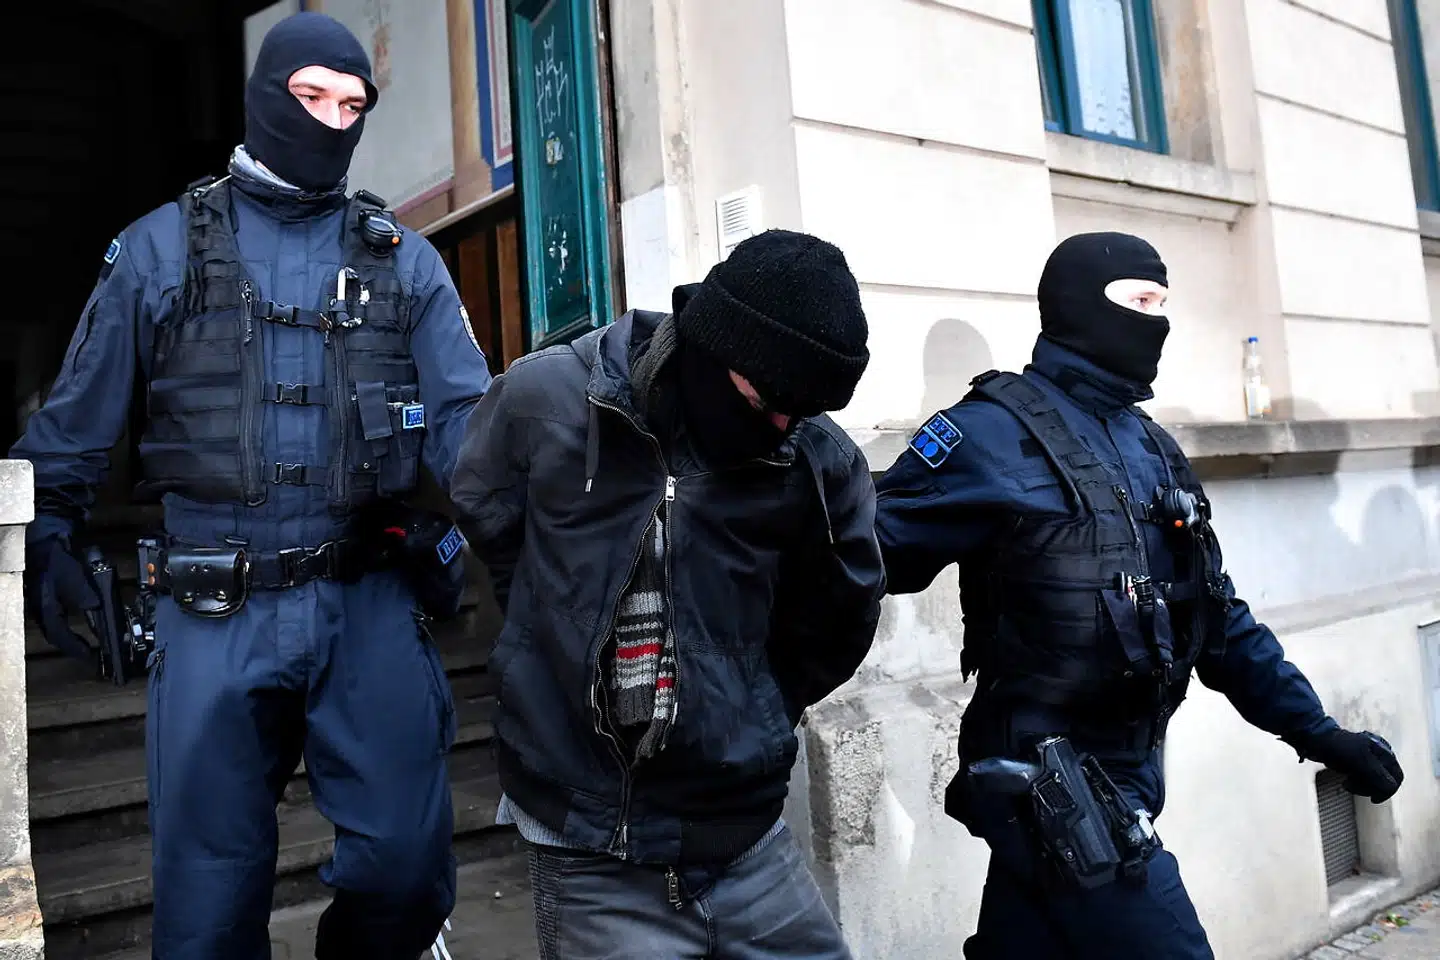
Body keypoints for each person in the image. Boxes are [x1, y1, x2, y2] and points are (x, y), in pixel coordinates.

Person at [11, 13, 491, 958]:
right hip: (213, 612)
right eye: (311, 97)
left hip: (366, 597)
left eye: (352, 106)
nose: (332, 122)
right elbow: (71, 424)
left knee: (406, 872)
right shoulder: (157, 251)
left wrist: (549, 479)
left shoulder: (406, 262)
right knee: (207, 916)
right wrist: (47, 536)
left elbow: (471, 430)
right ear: (266, 95)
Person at [872, 232, 1404, 959]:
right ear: (1078, 304)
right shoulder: (985, 432)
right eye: (1139, 300)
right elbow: (862, 555)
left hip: (1131, 764)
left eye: (1162, 303)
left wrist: (1317, 731)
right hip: (1048, 779)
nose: (1157, 321)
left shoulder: (1151, 446)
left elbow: (1217, 618)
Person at [451, 229, 885, 958]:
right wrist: (548, 641)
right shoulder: (545, 398)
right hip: (588, 846)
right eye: (767, 400)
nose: (782, 425)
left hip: (747, 839)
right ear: (714, 344)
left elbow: (838, 617)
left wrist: (749, 704)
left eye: (803, 409)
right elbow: (490, 520)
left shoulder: (816, 458)